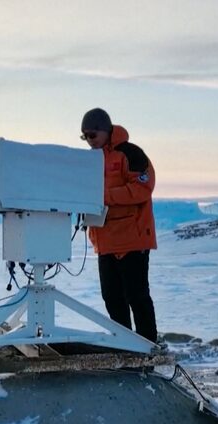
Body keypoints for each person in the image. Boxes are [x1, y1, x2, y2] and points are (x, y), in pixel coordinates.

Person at [80, 108, 158, 342]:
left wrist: (104, 196)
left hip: (131, 240)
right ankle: (124, 346)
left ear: (105, 130)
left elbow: (143, 187)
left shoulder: (130, 153)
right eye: (85, 137)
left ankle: (147, 347)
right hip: (105, 241)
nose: (89, 141)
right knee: (112, 298)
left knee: (137, 296)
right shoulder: (92, 160)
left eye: (92, 135)